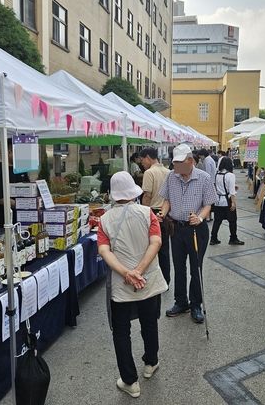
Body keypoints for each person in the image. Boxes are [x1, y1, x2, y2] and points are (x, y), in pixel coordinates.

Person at [97, 171, 167, 399]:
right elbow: (156, 242)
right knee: (149, 322)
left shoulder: (105, 220)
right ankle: (151, 363)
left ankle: (130, 381)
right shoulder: (148, 213)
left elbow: (104, 250)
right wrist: (139, 271)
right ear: (133, 191)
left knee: (121, 332)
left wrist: (127, 273)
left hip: (122, 285)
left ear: (113, 195)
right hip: (148, 281)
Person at [158, 144, 218, 323]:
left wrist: (199, 218)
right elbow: (167, 200)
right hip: (176, 228)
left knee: (195, 268)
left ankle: (196, 304)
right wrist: (163, 212)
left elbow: (208, 204)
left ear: (190, 161)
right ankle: (181, 302)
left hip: (196, 230)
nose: (176, 167)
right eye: (174, 163)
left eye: (179, 163)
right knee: (179, 267)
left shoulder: (204, 178)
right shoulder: (171, 176)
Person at [0, 139, 30, 235]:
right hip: (0, 219)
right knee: (4, 245)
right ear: (9, 152)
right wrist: (24, 205)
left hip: (19, 218)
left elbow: (28, 188)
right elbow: (0, 198)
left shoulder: (20, 168)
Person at [139, 147, 171, 284]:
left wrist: (144, 214)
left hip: (152, 212)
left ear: (147, 157)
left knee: (150, 248)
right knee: (164, 249)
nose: (142, 163)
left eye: (142, 160)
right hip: (166, 213)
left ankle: (153, 280)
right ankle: (166, 279)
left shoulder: (149, 172)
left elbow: (147, 195)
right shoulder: (168, 172)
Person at [210, 157, 244, 246]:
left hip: (218, 201)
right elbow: (232, 192)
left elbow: (218, 186)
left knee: (217, 220)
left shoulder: (217, 174)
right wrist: (233, 203)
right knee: (232, 220)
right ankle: (233, 238)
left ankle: (213, 238)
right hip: (227, 201)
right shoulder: (230, 175)